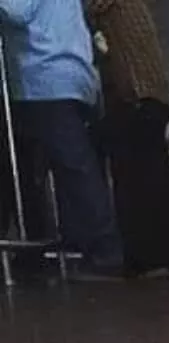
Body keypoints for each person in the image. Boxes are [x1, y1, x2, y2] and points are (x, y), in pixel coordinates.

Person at [0, 0, 123, 277]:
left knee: (69, 167)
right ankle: (42, 253)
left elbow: (16, 11)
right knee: (55, 167)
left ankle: (105, 251)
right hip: (69, 74)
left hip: (43, 76)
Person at [84, 0, 169, 277]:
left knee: (137, 181)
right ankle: (167, 258)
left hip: (138, 98)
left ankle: (147, 259)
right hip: (152, 98)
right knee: (154, 179)